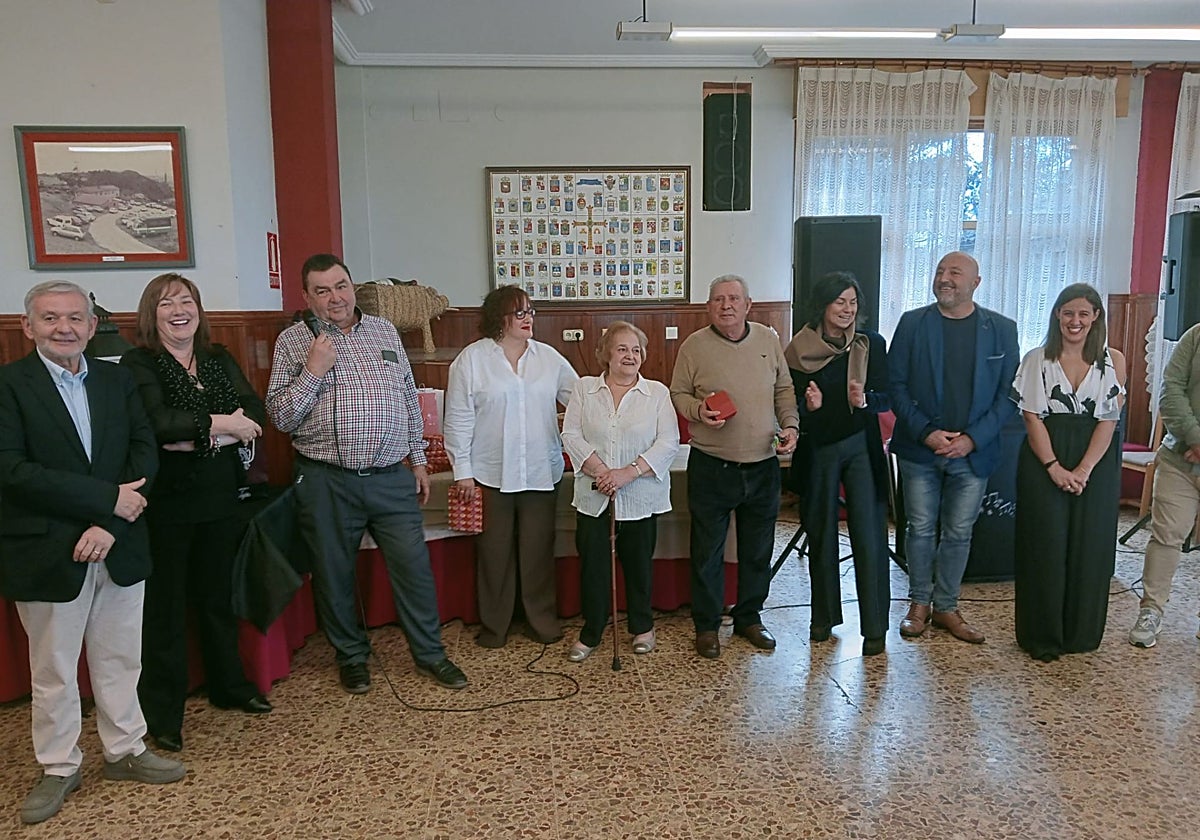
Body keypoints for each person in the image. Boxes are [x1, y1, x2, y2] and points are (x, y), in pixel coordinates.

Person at [0, 281, 185, 826]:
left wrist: (109, 522)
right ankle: (58, 765)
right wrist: (107, 500)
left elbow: (143, 450)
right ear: (27, 326)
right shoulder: (8, 386)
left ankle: (126, 750)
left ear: (91, 323)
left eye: (76, 318)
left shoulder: (118, 378)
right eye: (51, 318)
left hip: (119, 541)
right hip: (47, 549)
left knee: (121, 657)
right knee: (54, 669)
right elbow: (12, 472)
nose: (65, 328)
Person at [266, 253, 466, 694]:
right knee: (334, 573)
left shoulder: (383, 330)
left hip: (391, 477)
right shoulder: (293, 343)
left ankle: (430, 654)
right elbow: (281, 417)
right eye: (322, 290)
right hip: (325, 479)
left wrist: (417, 459)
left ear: (352, 286)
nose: (334, 297)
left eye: (340, 286)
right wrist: (313, 370)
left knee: (414, 569)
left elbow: (407, 399)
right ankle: (351, 656)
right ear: (307, 297)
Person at [121, 273, 272, 754]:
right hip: (166, 504)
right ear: (152, 313)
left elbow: (255, 412)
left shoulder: (217, 357)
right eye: (167, 304)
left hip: (220, 498)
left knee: (216, 599)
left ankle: (229, 686)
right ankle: (163, 714)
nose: (179, 310)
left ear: (200, 310)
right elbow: (158, 426)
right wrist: (224, 424)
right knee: (164, 612)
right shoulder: (139, 361)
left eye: (186, 300)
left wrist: (201, 434)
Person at [888, 251, 1019, 644]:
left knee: (959, 532)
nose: (945, 278)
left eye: (955, 273)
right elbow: (896, 386)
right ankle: (919, 603)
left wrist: (971, 439)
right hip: (920, 448)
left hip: (973, 452)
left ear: (975, 282)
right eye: (941, 271)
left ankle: (947, 606)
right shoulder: (913, 324)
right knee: (920, 529)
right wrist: (927, 433)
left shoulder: (1001, 329)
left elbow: (1009, 395)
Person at [670, 274, 799, 659]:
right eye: (718, 299)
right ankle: (707, 625)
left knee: (758, 550)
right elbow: (678, 394)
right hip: (712, 465)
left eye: (733, 299)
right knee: (707, 551)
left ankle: (749, 618)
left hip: (763, 466)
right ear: (708, 307)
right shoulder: (694, 346)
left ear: (748, 304)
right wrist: (698, 411)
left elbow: (784, 389)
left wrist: (790, 425)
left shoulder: (768, 340)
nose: (726, 305)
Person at [443, 285, 577, 648]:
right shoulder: (470, 361)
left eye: (531, 311)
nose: (528, 318)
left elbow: (580, 400)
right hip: (489, 474)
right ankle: (495, 625)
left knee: (538, 550)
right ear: (498, 318)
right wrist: (463, 472)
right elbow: (457, 420)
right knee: (494, 553)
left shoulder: (549, 359)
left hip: (539, 471)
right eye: (520, 312)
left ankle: (541, 620)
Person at [1011, 283, 1125, 661]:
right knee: (1045, 544)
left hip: (1096, 459)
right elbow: (1031, 417)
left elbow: (1108, 420)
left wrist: (1084, 470)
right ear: (1057, 315)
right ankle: (1042, 636)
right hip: (1046, 454)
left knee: (1089, 545)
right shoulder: (1036, 359)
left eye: (1083, 313)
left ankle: (1081, 633)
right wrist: (1055, 468)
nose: (1075, 321)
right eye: (1067, 312)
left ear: (1095, 318)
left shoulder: (1114, 361)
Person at [785, 272, 891, 656]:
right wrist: (807, 408)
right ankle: (823, 618)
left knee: (869, 535)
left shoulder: (870, 345)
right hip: (819, 450)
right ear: (823, 306)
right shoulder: (798, 350)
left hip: (861, 447)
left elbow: (887, 395)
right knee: (821, 533)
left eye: (852, 302)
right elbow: (789, 408)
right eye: (839, 302)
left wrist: (866, 401)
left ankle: (876, 628)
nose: (847, 310)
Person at [561, 321, 680, 660]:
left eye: (636, 350)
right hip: (593, 493)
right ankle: (592, 630)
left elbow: (669, 441)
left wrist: (628, 473)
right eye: (622, 349)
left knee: (639, 564)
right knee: (594, 565)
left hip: (640, 495)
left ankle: (643, 626)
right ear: (606, 354)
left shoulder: (657, 393)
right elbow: (570, 435)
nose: (630, 356)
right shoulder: (584, 389)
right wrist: (601, 472)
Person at [1129, 321, 1200, 648]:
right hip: (1179, 459)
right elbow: (1170, 388)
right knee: (1166, 536)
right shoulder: (1195, 335)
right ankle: (1151, 610)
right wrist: (1196, 438)